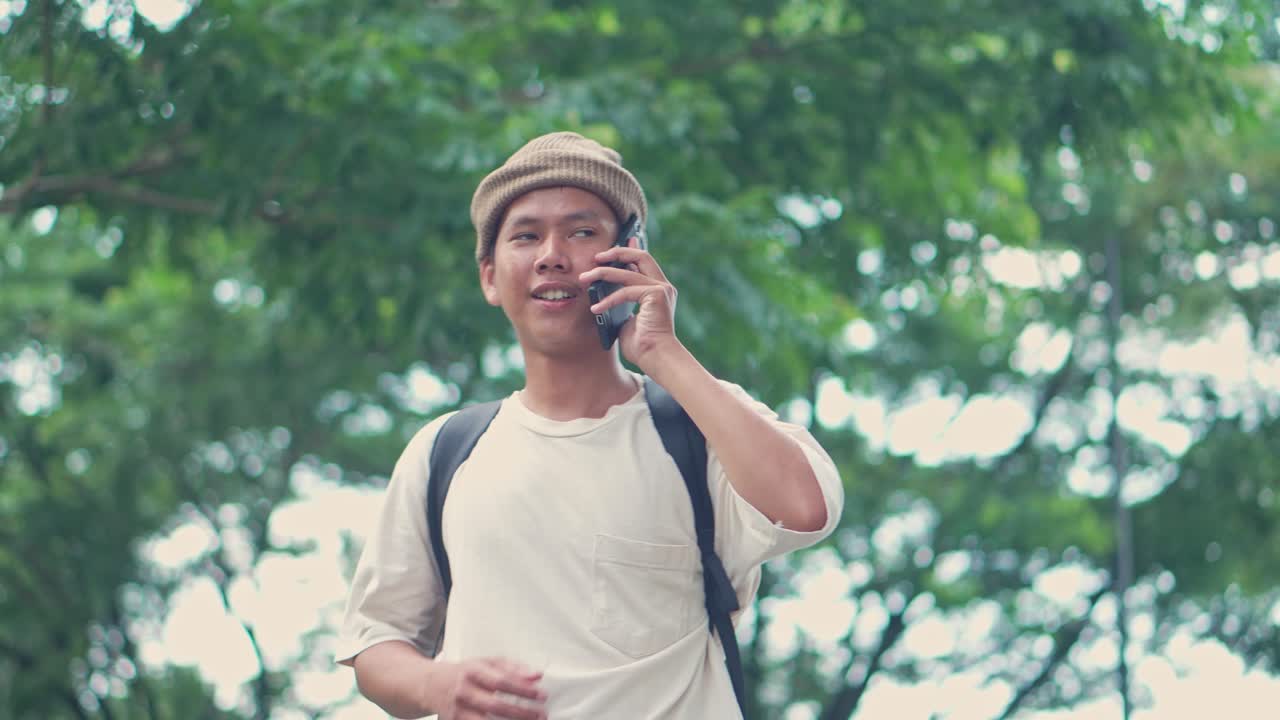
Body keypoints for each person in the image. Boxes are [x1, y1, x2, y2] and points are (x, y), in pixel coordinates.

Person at [335, 131, 844, 719]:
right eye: (526, 235)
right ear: (489, 277)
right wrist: (434, 686)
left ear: (629, 256)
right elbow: (375, 641)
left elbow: (806, 509)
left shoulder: (698, 422)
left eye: (581, 232)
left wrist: (662, 351)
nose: (552, 253)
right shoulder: (445, 451)